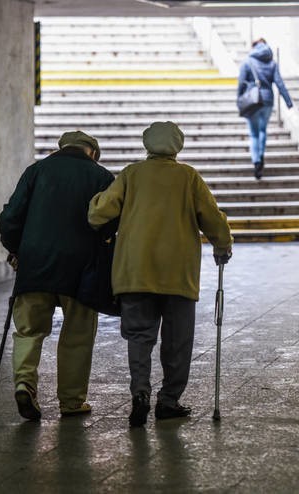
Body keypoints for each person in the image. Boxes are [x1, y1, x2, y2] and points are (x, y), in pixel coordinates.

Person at [87, 121, 233, 428]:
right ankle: (168, 401)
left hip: (136, 271)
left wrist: (95, 202)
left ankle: (140, 392)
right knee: (178, 340)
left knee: (140, 336)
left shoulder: (131, 174)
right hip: (178, 274)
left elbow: (99, 212)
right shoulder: (188, 177)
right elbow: (212, 217)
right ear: (177, 146)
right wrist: (223, 245)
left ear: (147, 144)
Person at [0, 130, 115, 421]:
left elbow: (11, 218)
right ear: (93, 152)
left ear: (61, 148)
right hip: (82, 267)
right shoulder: (101, 176)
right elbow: (110, 224)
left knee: (28, 329)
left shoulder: (36, 171)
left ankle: (24, 383)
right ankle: (72, 401)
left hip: (35, 263)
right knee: (78, 332)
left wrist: (17, 249)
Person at [237, 38, 293, 179]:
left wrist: (239, 99)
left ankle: (256, 161)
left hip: (252, 101)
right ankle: (261, 156)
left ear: (254, 47)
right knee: (262, 130)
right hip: (267, 101)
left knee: (254, 133)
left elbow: (241, 83)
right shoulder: (272, 63)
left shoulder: (247, 62)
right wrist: (288, 101)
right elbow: (279, 83)